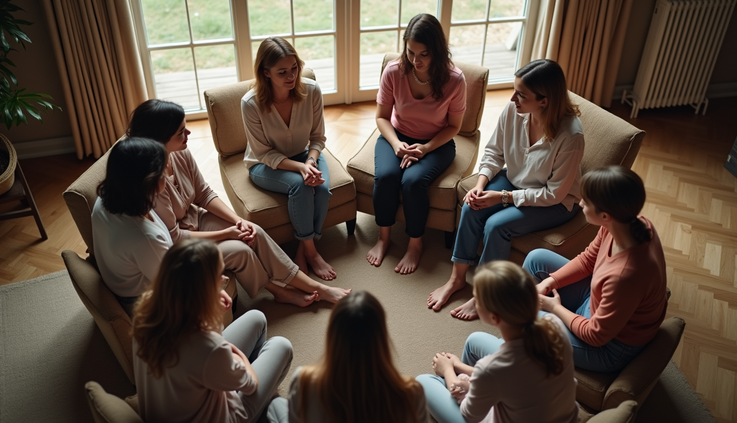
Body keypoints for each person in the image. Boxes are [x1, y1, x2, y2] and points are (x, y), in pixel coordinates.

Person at [127, 99, 350, 307]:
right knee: (241, 250)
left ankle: (305, 286)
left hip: (194, 218)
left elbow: (203, 193)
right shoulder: (152, 181)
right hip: (179, 244)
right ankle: (288, 290)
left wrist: (238, 221)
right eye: (180, 131)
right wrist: (228, 233)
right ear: (159, 138)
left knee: (254, 230)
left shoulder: (180, 154)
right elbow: (174, 237)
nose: (188, 132)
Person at [427, 59, 584, 320]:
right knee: (471, 205)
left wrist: (502, 197)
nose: (512, 98)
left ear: (544, 101)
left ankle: (483, 297)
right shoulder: (514, 111)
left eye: (521, 94)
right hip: (515, 181)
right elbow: (494, 152)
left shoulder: (571, 136)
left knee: (497, 226)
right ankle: (456, 280)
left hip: (555, 201)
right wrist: (479, 187)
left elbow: (553, 193)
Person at [524, 165, 668, 372]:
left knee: (530, 323)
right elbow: (588, 260)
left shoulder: (625, 277)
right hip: (595, 302)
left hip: (609, 347)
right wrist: (550, 281)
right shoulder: (630, 224)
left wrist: (554, 308)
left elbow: (595, 335)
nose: (580, 203)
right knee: (536, 258)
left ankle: (515, 358)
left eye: (586, 201)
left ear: (605, 215)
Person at [132, 239, 293, 422]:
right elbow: (250, 383)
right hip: (222, 416)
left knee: (257, 318)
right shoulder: (206, 344)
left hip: (179, 401)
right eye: (219, 275)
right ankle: (251, 402)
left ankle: (230, 378)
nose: (224, 278)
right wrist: (237, 357)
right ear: (202, 289)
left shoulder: (147, 310)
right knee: (281, 345)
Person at [416, 261, 578, 423]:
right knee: (475, 339)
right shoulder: (554, 324)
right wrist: (459, 366)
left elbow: (470, 414)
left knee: (423, 382)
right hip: (556, 414)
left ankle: (472, 391)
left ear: (494, 317)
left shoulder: (493, 368)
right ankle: (481, 391)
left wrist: (449, 372)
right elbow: (511, 378)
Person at [367, 13, 467, 275]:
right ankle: (384, 237)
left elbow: (454, 127)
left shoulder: (454, 80)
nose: (416, 60)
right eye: (411, 52)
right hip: (396, 136)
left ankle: (415, 244)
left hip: (437, 143)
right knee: (387, 176)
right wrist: (396, 143)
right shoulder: (394, 71)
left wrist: (425, 148)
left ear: (437, 51)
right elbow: (381, 117)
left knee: (412, 182)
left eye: (424, 54)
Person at [241, 37, 336, 281]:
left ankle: (303, 250)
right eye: (282, 71)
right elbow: (263, 152)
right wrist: (301, 169)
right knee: (300, 186)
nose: (291, 76)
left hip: (306, 155)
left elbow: (317, 138)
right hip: (264, 164)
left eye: (294, 68)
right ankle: (313, 252)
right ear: (266, 73)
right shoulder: (250, 104)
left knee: (322, 189)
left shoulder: (311, 91)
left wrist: (310, 162)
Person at [265, 291, 428, 423]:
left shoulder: (304, 381)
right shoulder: (411, 393)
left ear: (332, 336)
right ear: (382, 337)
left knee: (275, 405)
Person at [91, 137, 172, 316]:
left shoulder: (105, 199)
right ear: (146, 182)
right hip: (145, 298)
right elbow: (171, 282)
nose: (167, 171)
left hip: (125, 277)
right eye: (163, 172)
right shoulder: (144, 237)